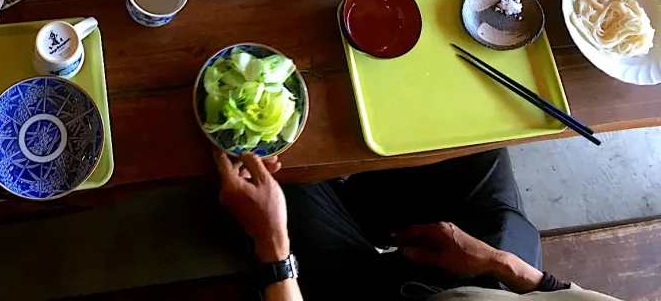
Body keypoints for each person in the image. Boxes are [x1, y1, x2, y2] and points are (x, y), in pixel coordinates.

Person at [213, 148, 622, 300]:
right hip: (495, 287)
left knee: (285, 184)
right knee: (477, 149)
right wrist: (500, 263)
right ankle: (353, 204)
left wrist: (274, 245)